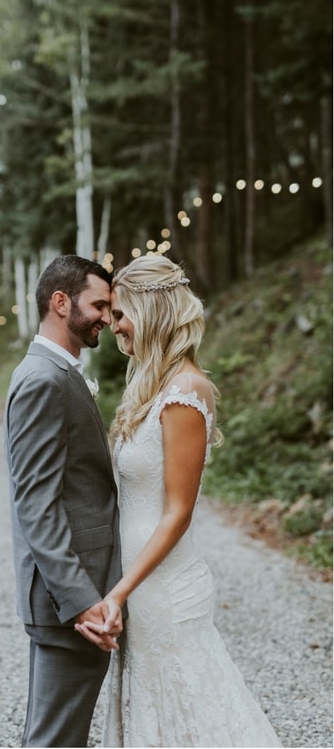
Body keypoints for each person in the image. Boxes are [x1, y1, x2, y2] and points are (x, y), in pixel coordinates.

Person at [76, 255, 281, 746]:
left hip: (163, 588)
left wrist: (120, 591)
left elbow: (178, 512)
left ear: (152, 313)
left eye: (121, 314)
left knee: (194, 710)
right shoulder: (150, 387)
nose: (113, 325)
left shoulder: (186, 392)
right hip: (139, 583)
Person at [3, 254, 124, 747]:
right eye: (98, 304)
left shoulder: (58, 372)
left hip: (75, 593)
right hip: (70, 599)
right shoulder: (43, 380)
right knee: (55, 741)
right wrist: (80, 604)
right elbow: (36, 504)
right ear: (60, 302)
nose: (107, 317)